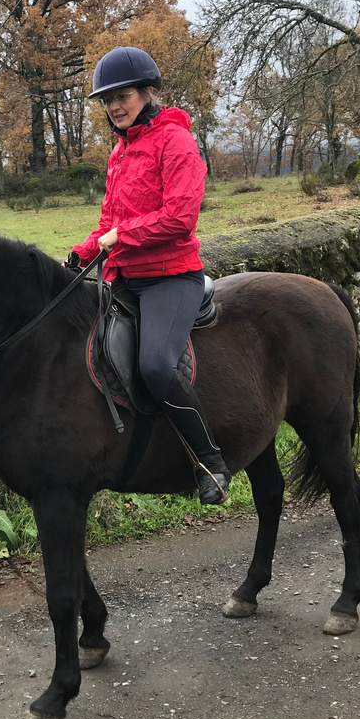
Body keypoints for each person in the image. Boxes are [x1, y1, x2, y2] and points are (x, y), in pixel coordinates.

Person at [66, 46, 230, 505]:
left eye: (123, 96)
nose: (114, 106)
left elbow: (179, 218)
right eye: (107, 100)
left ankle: (210, 461)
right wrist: (80, 255)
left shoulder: (176, 142)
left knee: (155, 365)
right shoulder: (119, 152)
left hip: (170, 277)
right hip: (123, 276)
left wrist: (120, 236)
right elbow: (107, 224)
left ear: (147, 92)